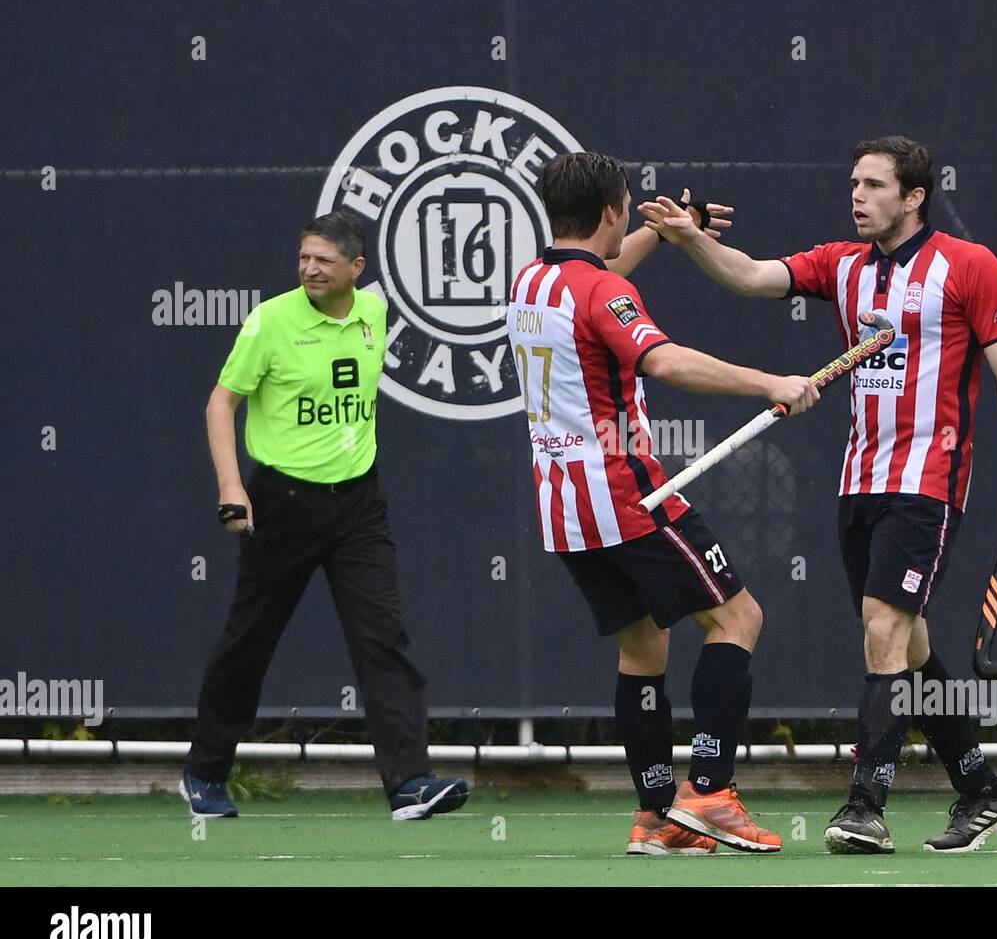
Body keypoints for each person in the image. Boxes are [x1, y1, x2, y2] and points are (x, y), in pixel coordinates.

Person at [641, 135, 997, 854]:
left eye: (875, 185)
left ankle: (866, 806)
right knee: (909, 645)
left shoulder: (969, 266)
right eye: (854, 183)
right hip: (860, 481)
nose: (858, 196)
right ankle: (983, 791)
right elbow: (753, 276)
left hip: (929, 482)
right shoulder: (842, 265)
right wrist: (690, 240)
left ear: (914, 197)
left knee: (882, 628)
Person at [507, 151, 819, 854]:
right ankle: (709, 793)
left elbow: (596, 281)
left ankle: (655, 818)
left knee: (644, 651)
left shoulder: (533, 282)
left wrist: (680, 230)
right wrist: (771, 380)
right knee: (738, 616)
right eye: (627, 207)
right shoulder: (601, 295)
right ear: (613, 210)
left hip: (565, 510)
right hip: (630, 496)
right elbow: (663, 359)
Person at [180, 210, 468, 821]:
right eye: (304, 258)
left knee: (383, 639)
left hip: (360, 501)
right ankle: (205, 773)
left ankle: (410, 783)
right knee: (249, 642)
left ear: (356, 270)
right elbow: (220, 401)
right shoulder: (271, 321)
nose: (310, 269)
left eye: (324, 261)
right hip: (282, 502)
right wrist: (232, 487)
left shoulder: (375, 313)